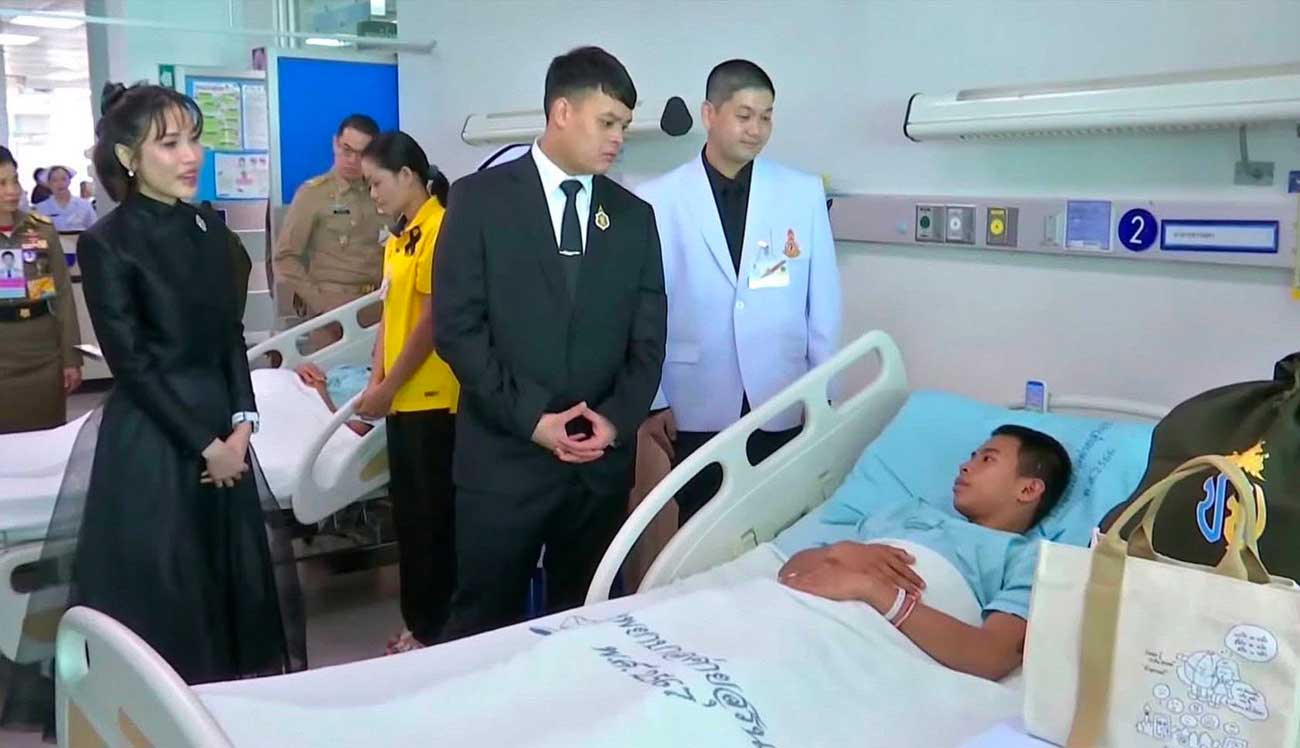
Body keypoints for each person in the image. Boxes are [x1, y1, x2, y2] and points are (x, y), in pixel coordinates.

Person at [21, 82, 306, 703]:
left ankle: (222, 712)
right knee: (168, 584)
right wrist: (207, 446)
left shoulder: (209, 230)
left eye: (194, 140)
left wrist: (242, 424)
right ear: (128, 157)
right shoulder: (107, 242)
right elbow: (132, 363)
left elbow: (230, 335)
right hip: (158, 434)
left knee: (225, 578)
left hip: (223, 429)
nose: (190, 155)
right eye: (170, 143)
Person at [433, 46, 666, 640]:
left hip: (595, 467)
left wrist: (614, 421)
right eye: (607, 122)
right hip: (503, 459)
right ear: (562, 111)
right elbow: (458, 328)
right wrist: (531, 419)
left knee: (587, 625)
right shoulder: (479, 201)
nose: (618, 139)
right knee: (482, 625)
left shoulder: (634, 217)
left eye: (624, 126)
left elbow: (648, 341)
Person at [638, 59, 842, 527]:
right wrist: (656, 399)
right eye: (744, 115)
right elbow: (644, 309)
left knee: (783, 523)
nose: (757, 129)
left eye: (766, 117)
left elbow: (823, 306)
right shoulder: (656, 200)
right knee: (702, 528)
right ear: (709, 114)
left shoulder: (802, 193)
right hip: (694, 399)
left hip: (784, 395)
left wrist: (824, 395)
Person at [778, 425, 1072, 681]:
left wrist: (871, 589)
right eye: (972, 456)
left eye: (987, 459)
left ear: (1028, 490)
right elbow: (790, 571)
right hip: (802, 617)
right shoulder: (905, 514)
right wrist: (840, 552)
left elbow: (991, 656)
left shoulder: (1027, 559)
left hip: (867, 649)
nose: (965, 466)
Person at [350, 131, 460, 654]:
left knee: (433, 523)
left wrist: (389, 385)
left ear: (408, 176)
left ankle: (433, 630)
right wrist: (376, 384)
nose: (372, 194)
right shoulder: (400, 237)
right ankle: (418, 623)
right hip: (400, 399)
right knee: (410, 522)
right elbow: (389, 317)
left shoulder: (441, 230)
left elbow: (432, 323)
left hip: (434, 400)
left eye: (377, 183)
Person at [272, 114, 386, 348]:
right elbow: (285, 257)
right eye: (347, 150)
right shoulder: (313, 194)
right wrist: (320, 305)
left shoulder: (381, 192)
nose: (352, 160)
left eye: (361, 153)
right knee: (334, 371)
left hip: (378, 307)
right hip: (332, 312)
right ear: (335, 143)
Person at [0, 146, 83, 434]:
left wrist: (71, 358)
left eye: (14, 180)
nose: (12, 190)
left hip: (44, 357)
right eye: (1, 183)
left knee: (47, 440)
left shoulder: (42, 230)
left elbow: (63, 296)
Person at [35, 165, 98, 232]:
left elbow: (95, 230)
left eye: (63, 179)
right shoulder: (41, 208)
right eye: (54, 180)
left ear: (69, 181)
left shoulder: (84, 205)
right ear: (49, 184)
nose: (60, 183)